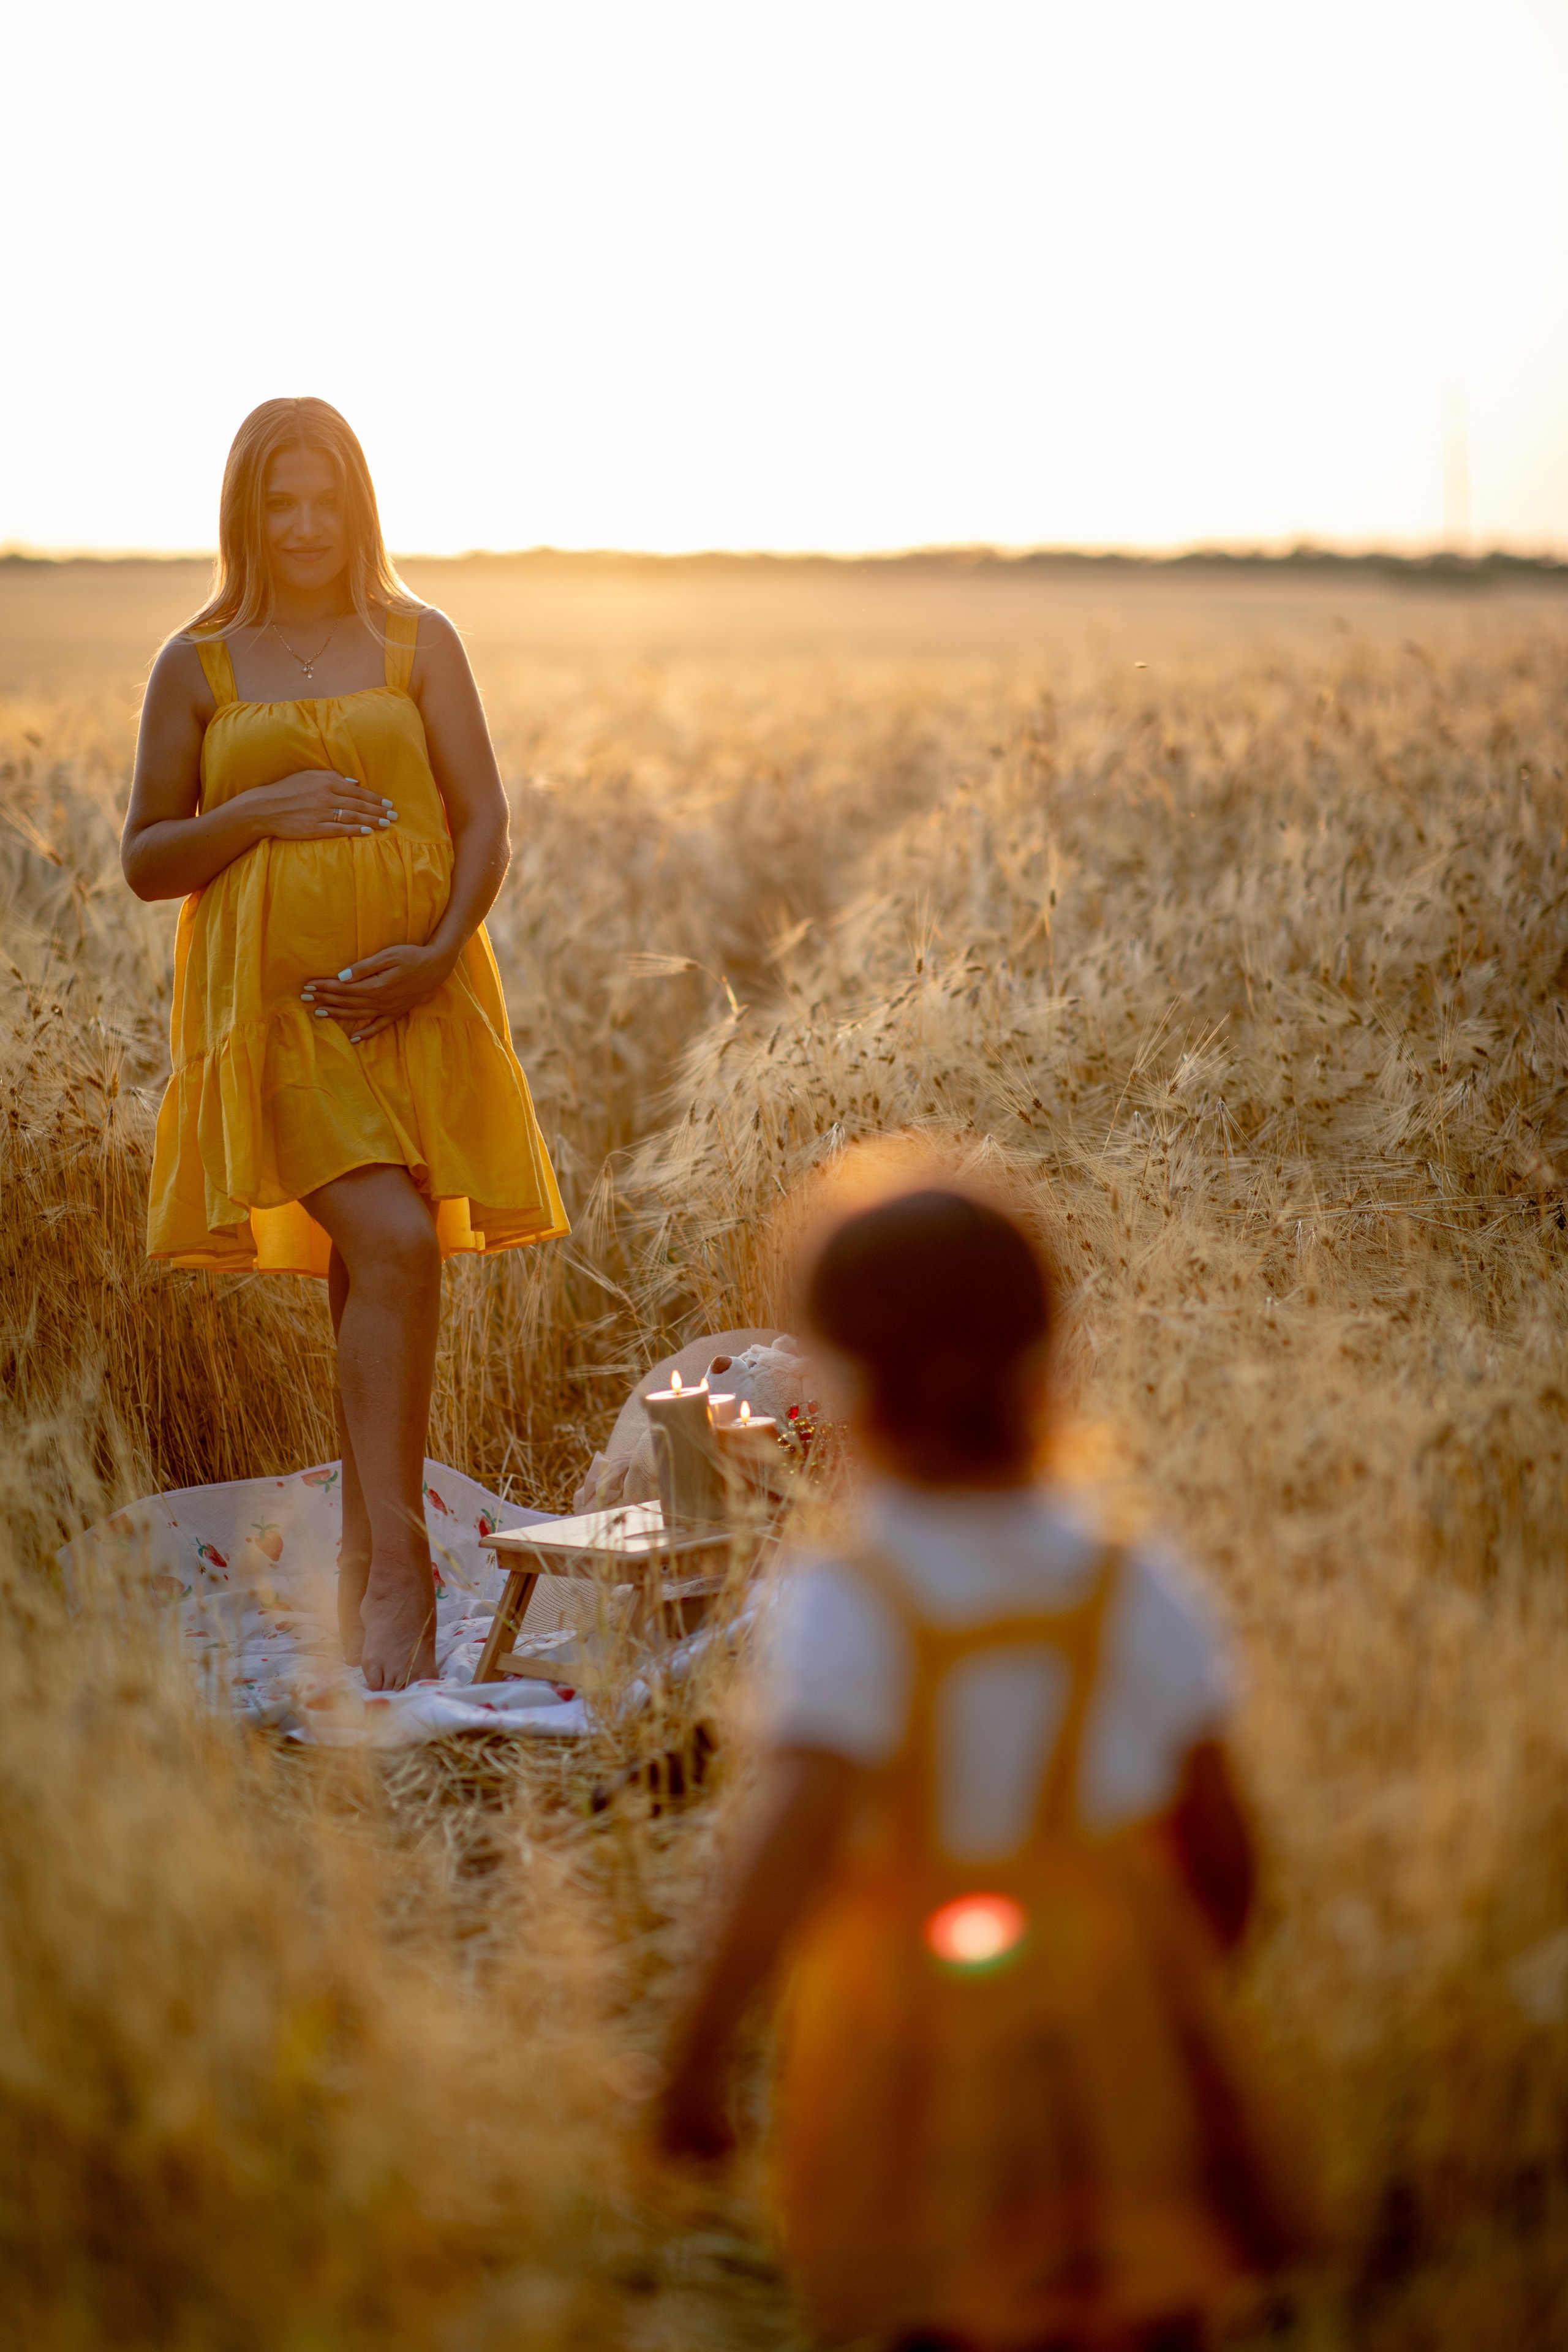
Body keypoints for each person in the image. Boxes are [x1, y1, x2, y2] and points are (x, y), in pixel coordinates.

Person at [658, 1159, 1310, 2351]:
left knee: (934, 2299)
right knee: (1138, 2288)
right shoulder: (1129, 1582)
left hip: (904, 2035)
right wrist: (1171, 1994)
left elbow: (785, 1848)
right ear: (1049, 1365)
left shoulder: (844, 1601)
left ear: (844, 1389)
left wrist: (697, 2056)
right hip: (1111, 2010)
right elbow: (1224, 1845)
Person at [121, 398, 568, 1691]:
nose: (305, 525)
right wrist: (256, 807)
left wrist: (432, 957)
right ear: (245, 513)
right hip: (276, 1022)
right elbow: (149, 857)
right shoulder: (196, 663)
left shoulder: (417, 640)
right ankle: (398, 1570)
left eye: (325, 499)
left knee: (368, 1276)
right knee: (391, 1240)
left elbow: (483, 818)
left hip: (415, 1001)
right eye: (280, 501)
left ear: (357, 505)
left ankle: (363, 1573)